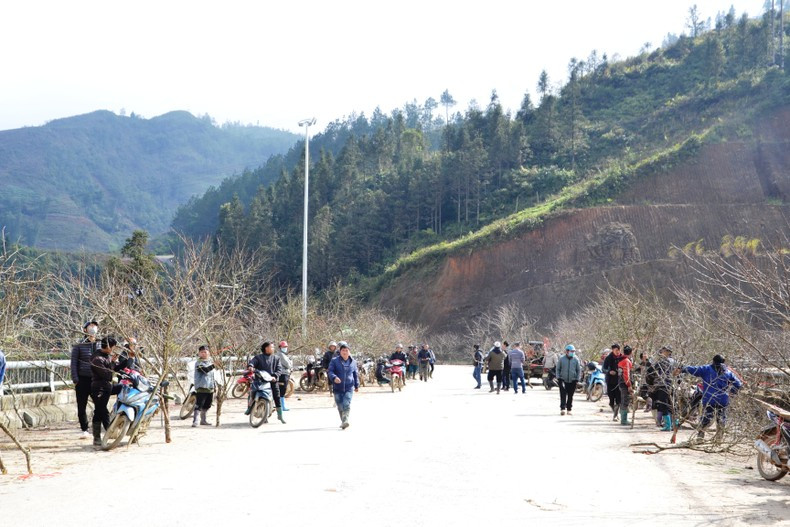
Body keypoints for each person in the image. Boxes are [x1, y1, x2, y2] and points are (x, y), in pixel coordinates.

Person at [681, 354, 742, 441]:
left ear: (713, 361)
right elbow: (738, 384)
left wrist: (682, 368)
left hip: (710, 399)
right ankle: (719, 438)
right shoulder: (728, 372)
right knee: (721, 418)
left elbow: (693, 369)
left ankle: (700, 436)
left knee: (706, 417)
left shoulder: (706, 369)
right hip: (723, 399)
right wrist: (732, 392)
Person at [71, 320, 100, 438]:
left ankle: (96, 427)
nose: (93, 328)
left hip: (96, 380)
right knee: (81, 406)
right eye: (91, 326)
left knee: (100, 405)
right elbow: (73, 363)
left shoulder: (100, 344)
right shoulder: (79, 345)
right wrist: (76, 379)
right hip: (82, 379)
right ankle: (84, 428)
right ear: (85, 330)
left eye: (95, 326)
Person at [245, 342, 286, 424]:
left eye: (273, 347)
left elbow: (279, 369)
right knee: (253, 391)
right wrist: (251, 366)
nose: (273, 349)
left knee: (277, 396)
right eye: (272, 347)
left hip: (272, 381)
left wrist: (275, 376)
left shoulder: (276, 358)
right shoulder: (258, 357)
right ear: (266, 348)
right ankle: (250, 407)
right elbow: (252, 362)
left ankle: (280, 415)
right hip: (260, 380)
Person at [90, 336, 120, 446]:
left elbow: (114, 369)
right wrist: (112, 363)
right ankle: (107, 432)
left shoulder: (106, 356)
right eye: (113, 347)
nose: (113, 350)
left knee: (99, 411)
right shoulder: (97, 359)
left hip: (107, 387)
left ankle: (98, 438)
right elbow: (107, 375)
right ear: (108, 346)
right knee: (102, 410)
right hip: (99, 388)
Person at [328, 343, 359, 429]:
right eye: (343, 350)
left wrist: (357, 385)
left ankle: (345, 421)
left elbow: (355, 374)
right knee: (340, 406)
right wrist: (334, 377)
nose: (345, 352)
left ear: (349, 352)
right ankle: (343, 421)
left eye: (346, 350)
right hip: (337, 388)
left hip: (349, 387)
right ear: (340, 351)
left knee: (346, 404)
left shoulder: (353, 362)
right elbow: (330, 371)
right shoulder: (334, 361)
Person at [651, 346, 676, 431]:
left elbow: (652, 370)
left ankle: (668, 425)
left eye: (664, 351)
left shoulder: (662, 362)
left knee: (663, 405)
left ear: (668, 352)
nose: (662, 352)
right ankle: (674, 424)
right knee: (672, 405)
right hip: (672, 385)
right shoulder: (674, 362)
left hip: (663, 385)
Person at [192, 345, 217, 427]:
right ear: (199, 353)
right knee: (199, 404)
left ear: (208, 353)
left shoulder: (210, 362)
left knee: (208, 404)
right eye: (201, 352)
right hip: (201, 387)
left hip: (210, 387)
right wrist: (214, 365)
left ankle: (203, 420)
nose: (203, 353)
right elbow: (204, 370)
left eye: (205, 352)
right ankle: (195, 421)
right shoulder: (198, 363)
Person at [556, 345, 581, 415]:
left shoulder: (576, 359)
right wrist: (558, 378)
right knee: (563, 394)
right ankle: (563, 408)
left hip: (573, 380)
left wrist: (577, 379)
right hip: (563, 380)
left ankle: (569, 409)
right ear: (567, 351)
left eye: (573, 351)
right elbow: (558, 369)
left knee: (570, 395)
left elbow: (578, 370)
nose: (572, 353)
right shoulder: (561, 359)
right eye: (571, 351)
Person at [602, 344, 623, 422]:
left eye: (618, 350)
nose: (617, 352)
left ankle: (615, 415)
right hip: (610, 381)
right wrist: (609, 371)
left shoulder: (622, 358)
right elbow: (603, 369)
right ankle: (615, 411)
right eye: (615, 350)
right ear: (612, 350)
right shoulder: (608, 358)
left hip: (619, 381)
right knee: (611, 400)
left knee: (618, 399)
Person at [617, 346, 634, 426]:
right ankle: (624, 420)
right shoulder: (626, 361)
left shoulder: (621, 360)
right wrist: (629, 385)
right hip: (624, 384)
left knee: (623, 400)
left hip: (620, 382)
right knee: (625, 401)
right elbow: (626, 374)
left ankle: (624, 418)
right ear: (630, 353)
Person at [276, 340, 293, 411]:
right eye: (283, 347)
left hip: (286, 374)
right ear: (280, 347)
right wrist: (290, 362)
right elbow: (288, 364)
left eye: (286, 347)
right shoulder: (281, 355)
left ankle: (281, 405)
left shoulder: (284, 355)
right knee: (282, 390)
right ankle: (281, 406)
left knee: (283, 390)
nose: (285, 348)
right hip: (283, 374)